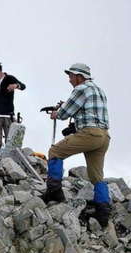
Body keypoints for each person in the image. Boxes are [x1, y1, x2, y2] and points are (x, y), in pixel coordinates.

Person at [46, 63, 111, 227]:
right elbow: (88, 112)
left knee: (55, 151)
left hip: (90, 134)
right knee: (97, 176)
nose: (69, 79)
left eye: (71, 76)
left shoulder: (80, 89)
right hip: (103, 137)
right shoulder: (99, 90)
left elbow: (64, 113)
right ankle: (103, 213)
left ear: (79, 76)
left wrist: (56, 113)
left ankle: (54, 193)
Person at [0, 60, 26, 155]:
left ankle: (13, 158)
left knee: (11, 138)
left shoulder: (10, 78)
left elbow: (23, 86)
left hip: (8, 114)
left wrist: (16, 85)